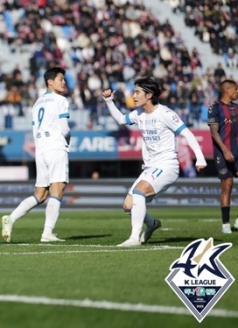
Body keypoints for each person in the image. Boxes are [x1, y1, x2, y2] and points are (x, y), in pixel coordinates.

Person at [102, 77, 207, 246]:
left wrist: (200, 157)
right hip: (150, 167)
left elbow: (187, 133)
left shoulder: (165, 114)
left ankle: (134, 238)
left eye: (137, 92)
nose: (133, 96)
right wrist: (108, 101)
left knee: (139, 192)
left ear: (149, 95)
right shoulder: (139, 114)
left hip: (167, 165)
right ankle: (152, 224)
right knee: (129, 206)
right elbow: (121, 120)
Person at [1, 67, 70, 243]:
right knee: (57, 190)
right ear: (50, 82)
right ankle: (47, 233)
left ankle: (11, 218)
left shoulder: (37, 103)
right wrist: (68, 140)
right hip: (55, 147)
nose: (64, 82)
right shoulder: (60, 100)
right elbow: (64, 129)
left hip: (41, 151)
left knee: (40, 194)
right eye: (60, 79)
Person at [208, 79, 238, 233]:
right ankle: (226, 225)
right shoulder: (215, 107)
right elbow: (213, 131)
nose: (237, 92)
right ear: (227, 90)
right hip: (223, 152)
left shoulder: (237, 108)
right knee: (227, 186)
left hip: (237, 151)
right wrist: (225, 150)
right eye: (236, 89)